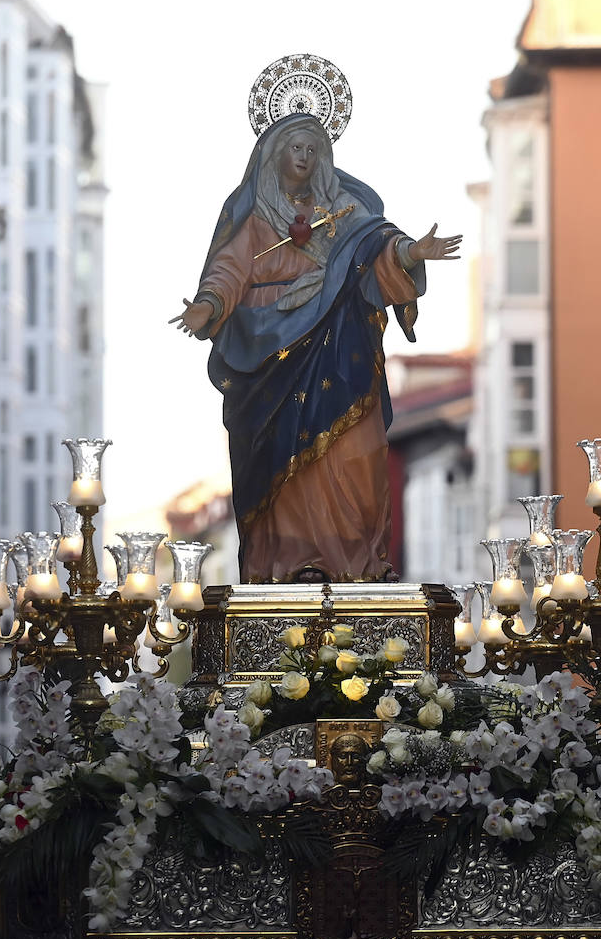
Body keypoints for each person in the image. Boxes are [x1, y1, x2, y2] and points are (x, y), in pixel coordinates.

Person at [172, 73, 461, 585]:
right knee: (281, 477)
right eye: (294, 147)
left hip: (342, 353)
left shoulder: (347, 213)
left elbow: (379, 249)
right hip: (271, 365)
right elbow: (228, 271)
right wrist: (208, 306)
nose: (304, 157)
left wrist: (412, 252)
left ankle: (357, 570)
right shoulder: (255, 216)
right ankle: (285, 569)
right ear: (274, 154)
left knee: (358, 457)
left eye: (313, 147)